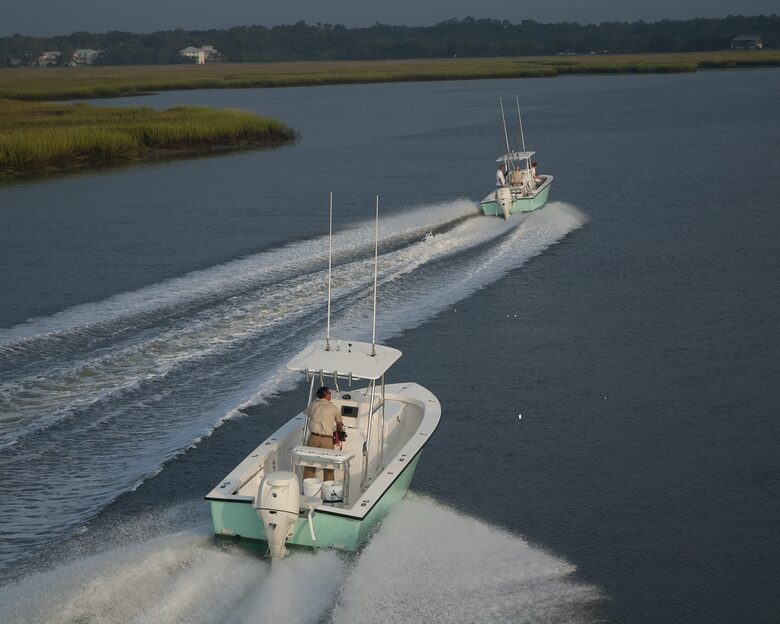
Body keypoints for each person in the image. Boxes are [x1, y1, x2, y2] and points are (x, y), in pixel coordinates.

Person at [303, 386, 344, 481]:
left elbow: (308, 413)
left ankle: (307, 487)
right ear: (326, 395)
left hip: (313, 438)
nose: (330, 394)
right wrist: (340, 432)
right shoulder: (333, 407)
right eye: (329, 393)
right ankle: (328, 490)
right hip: (326, 440)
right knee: (328, 466)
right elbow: (339, 423)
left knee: (309, 464)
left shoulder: (313, 404)